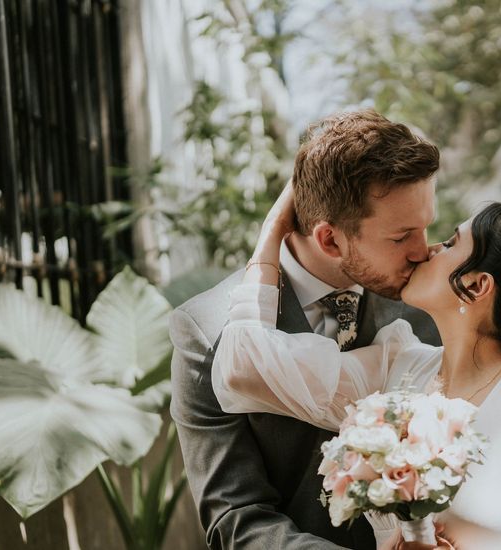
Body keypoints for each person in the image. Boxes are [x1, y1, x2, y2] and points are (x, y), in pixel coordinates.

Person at [212, 187, 501, 548]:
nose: (424, 250)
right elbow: (245, 368)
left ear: (477, 285)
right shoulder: (397, 370)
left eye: (449, 244)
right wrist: (272, 235)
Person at [169, 110, 445, 550]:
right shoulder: (207, 332)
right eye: (401, 236)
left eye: (426, 226)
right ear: (330, 240)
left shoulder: (425, 307)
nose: (423, 251)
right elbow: (236, 516)